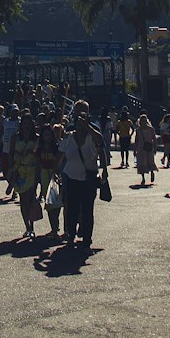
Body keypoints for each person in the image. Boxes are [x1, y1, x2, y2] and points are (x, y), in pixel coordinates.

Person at [58, 102, 107, 250]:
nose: (80, 116)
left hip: (88, 176)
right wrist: (58, 171)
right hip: (71, 175)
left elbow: (101, 146)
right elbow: (63, 151)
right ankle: (71, 235)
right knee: (71, 207)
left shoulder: (94, 130)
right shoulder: (70, 130)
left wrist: (104, 168)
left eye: (83, 112)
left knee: (87, 209)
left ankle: (86, 238)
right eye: (78, 112)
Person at [9, 112, 43, 237]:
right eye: (24, 123)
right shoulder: (15, 138)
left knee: (31, 198)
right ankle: (27, 226)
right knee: (23, 200)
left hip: (32, 170)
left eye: (29, 124)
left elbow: (40, 156)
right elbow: (11, 153)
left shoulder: (37, 138)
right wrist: (12, 170)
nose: (26, 126)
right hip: (20, 171)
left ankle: (32, 225)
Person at [133, 113, 157, 186]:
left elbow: (154, 138)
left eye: (144, 120)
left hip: (149, 147)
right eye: (142, 120)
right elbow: (136, 140)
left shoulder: (151, 129)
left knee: (150, 160)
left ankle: (152, 172)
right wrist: (135, 149)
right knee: (141, 162)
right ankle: (143, 178)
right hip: (141, 148)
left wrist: (155, 147)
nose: (143, 122)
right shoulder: (138, 130)